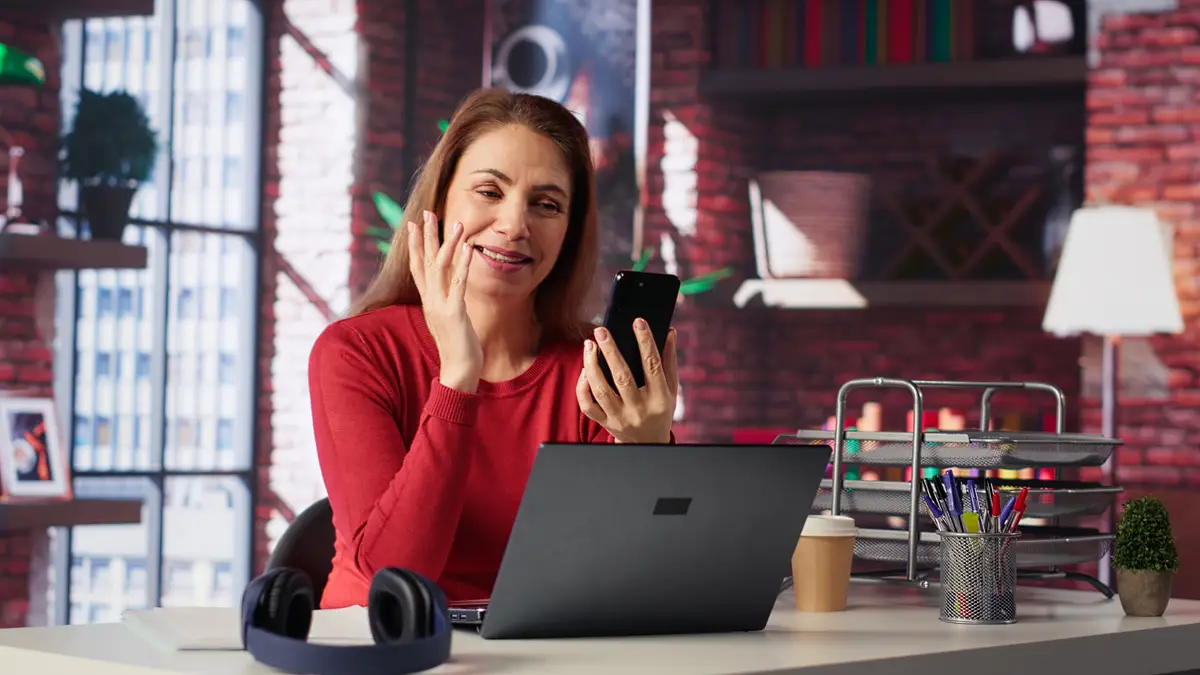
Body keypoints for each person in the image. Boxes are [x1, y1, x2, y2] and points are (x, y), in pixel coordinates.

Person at [307, 88, 678, 609]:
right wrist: (457, 377)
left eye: (546, 205)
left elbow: (642, 582)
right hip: (386, 648)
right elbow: (396, 574)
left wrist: (649, 452)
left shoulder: (594, 372)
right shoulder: (356, 353)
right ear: (439, 202)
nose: (514, 225)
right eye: (488, 191)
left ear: (569, 233)